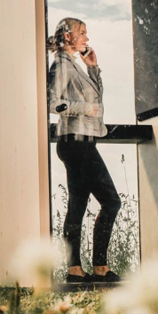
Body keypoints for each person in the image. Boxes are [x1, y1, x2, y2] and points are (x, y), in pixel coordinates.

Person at [47, 17, 122, 284]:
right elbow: (52, 103)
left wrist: (93, 69)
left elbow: (97, 102)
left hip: (82, 142)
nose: (86, 39)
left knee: (77, 207)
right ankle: (100, 268)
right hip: (76, 143)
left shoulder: (75, 66)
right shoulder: (61, 65)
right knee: (112, 202)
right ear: (67, 36)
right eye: (82, 33)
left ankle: (75, 270)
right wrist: (83, 109)